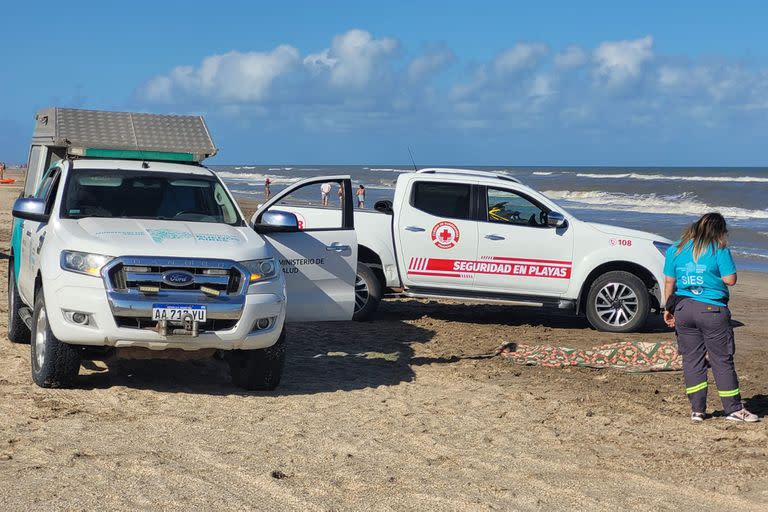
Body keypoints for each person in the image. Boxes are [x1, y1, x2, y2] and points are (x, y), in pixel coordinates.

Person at [663, 212, 758, 423]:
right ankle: (733, 409)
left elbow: (669, 282)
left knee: (691, 360)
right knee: (721, 359)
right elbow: (730, 279)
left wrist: (667, 309)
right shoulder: (718, 248)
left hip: (683, 308)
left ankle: (697, 410)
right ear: (719, 231)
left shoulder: (676, 248)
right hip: (712, 309)